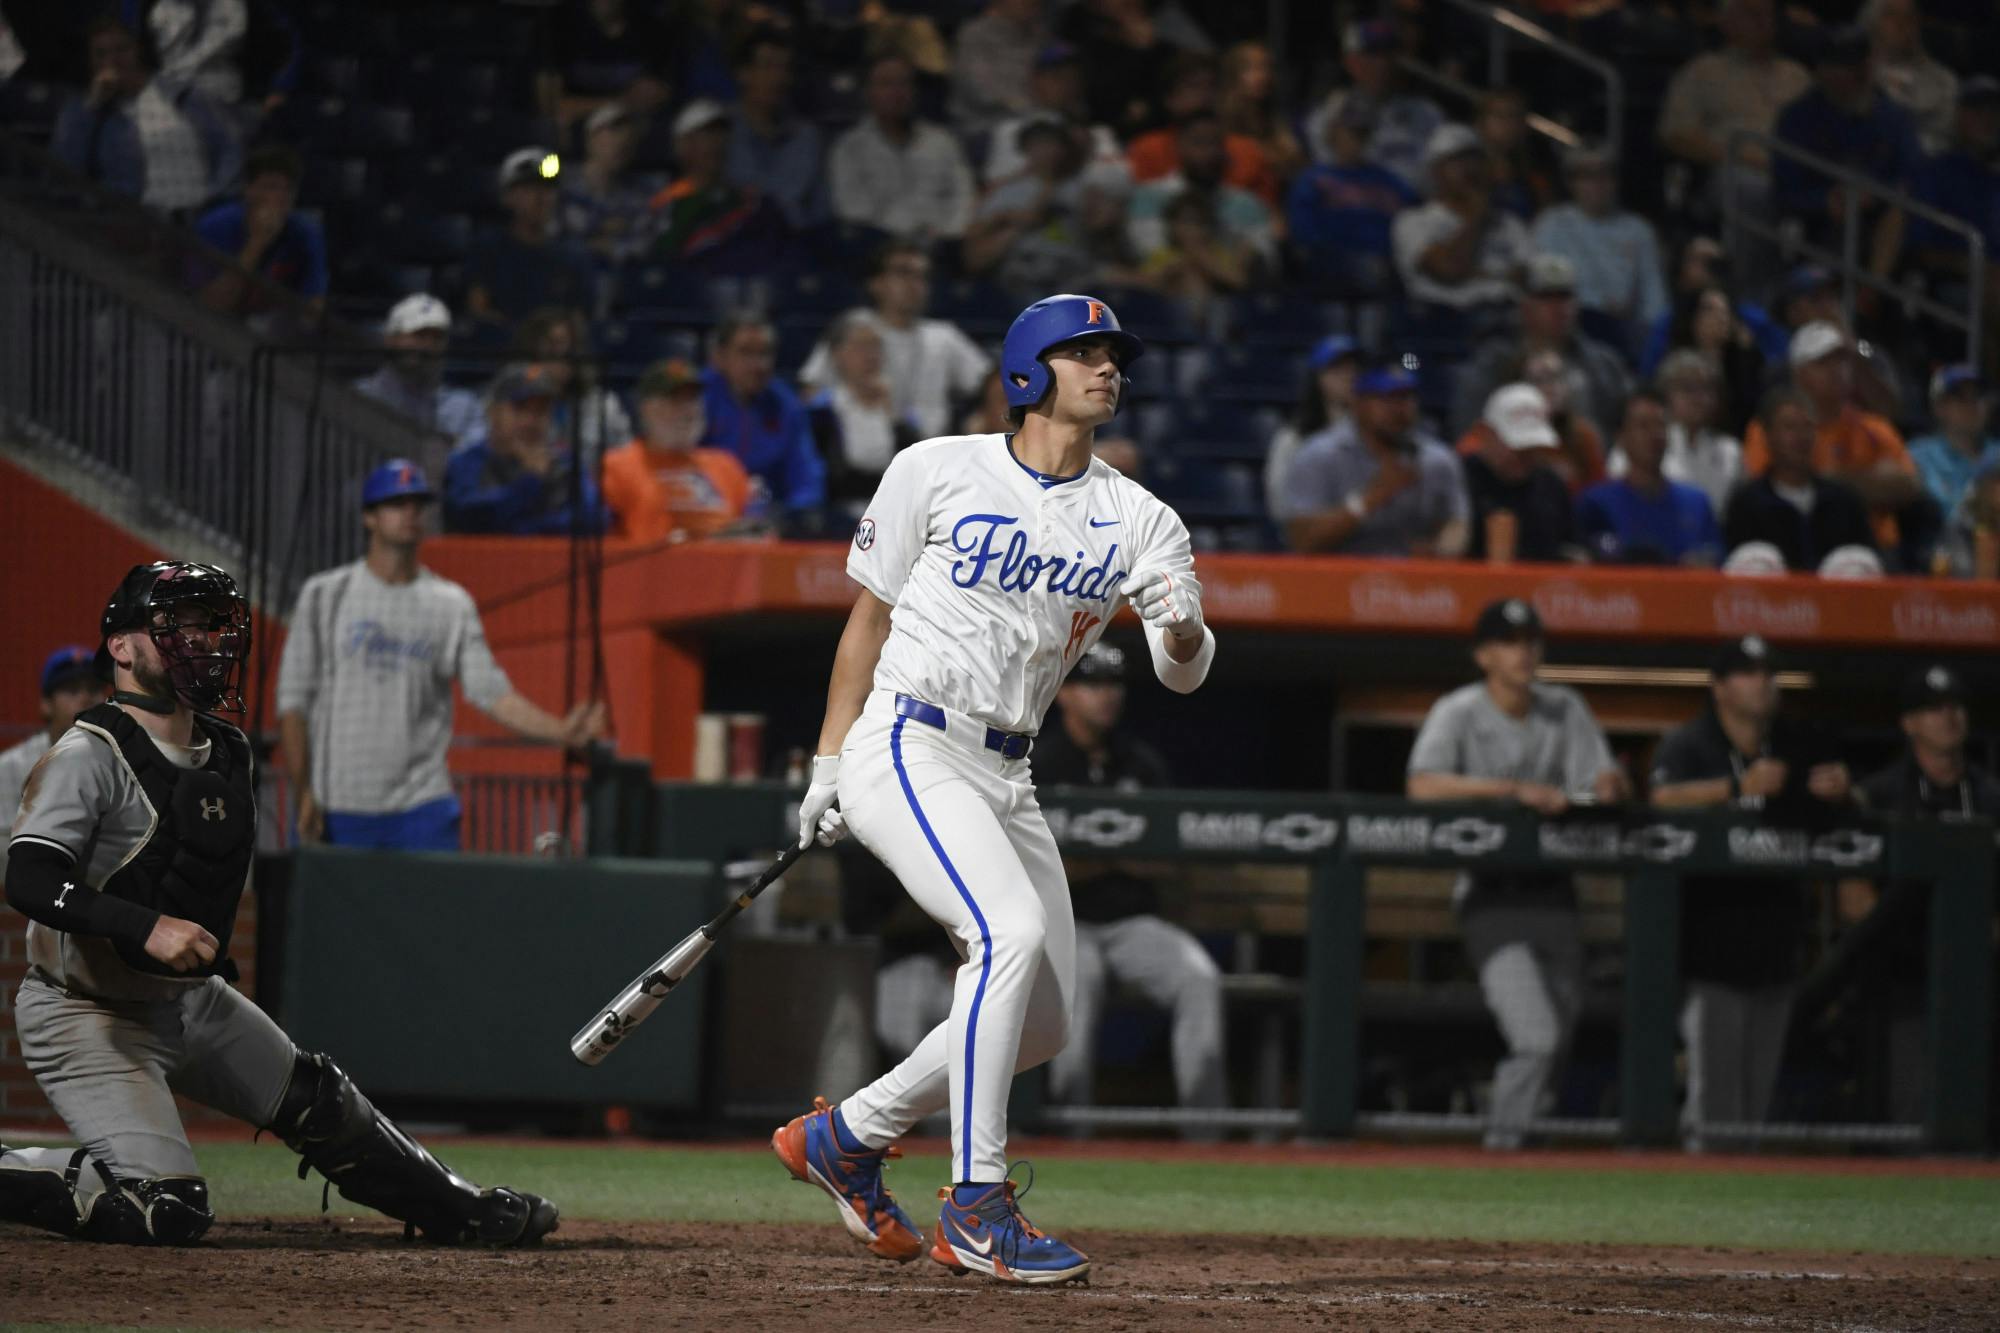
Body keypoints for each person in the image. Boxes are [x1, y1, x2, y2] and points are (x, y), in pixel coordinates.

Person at [771, 292, 1215, 1285]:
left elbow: (1183, 667)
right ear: (1028, 371)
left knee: (1043, 1020)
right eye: (1083, 352)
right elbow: (864, 626)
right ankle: (975, 1203)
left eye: (1113, 354)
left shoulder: (1141, 518)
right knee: (1005, 936)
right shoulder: (933, 467)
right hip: (909, 739)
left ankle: (850, 1134)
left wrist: (1179, 625)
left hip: (1006, 771)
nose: (1107, 367)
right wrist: (827, 763)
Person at [0, 561, 559, 1246]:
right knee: (166, 1208)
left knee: (317, 1097)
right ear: (120, 645)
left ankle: (458, 1208)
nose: (200, 639)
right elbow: (28, 877)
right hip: (85, 1010)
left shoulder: (228, 750)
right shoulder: (89, 751)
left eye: (209, 623)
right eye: (175, 625)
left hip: (186, 997)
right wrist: (143, 924)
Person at [280, 462, 606, 850]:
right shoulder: (324, 595)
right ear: (369, 517)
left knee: (431, 910)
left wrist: (560, 731)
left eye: (417, 503)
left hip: (421, 805)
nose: (410, 513)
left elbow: (491, 692)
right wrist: (303, 790)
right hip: (338, 802)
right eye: (396, 503)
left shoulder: (448, 603)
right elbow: (294, 703)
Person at [1407, 597, 1629, 1150]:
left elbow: (1600, 779)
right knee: (1536, 1039)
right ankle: (1500, 1154)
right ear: (1483, 655)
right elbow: (1424, 785)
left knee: (1555, 1047)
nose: (1524, 651)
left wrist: (1610, 787)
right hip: (1491, 899)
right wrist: (1509, 791)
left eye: (1531, 640)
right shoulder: (1458, 710)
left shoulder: (1564, 708)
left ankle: (1527, 1162)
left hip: (1557, 896)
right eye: (1509, 642)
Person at [1650, 634, 1849, 1151]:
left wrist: (1844, 789)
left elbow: (1844, 801)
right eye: (1747, 673)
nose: (1762, 683)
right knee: (1715, 1105)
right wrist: (1735, 789)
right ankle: (1694, 1219)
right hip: (1708, 949)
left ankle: (1735, 1228)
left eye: (1767, 673)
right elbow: (1659, 800)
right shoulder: (1691, 743)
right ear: (1718, 687)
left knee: (1754, 1107)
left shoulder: (1796, 741)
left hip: (1776, 945)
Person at [1034, 643, 1226, 1130]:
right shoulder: (1041, 762)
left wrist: (1095, 858)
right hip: (1067, 927)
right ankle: (1072, 1135)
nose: (1107, 695)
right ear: (1064, 694)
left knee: (1199, 976)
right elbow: (1039, 865)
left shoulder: (1141, 764)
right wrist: (1117, 859)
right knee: (1084, 981)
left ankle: (1209, 1140)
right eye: (1093, 683)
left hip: (1134, 926)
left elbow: (1167, 863)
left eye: (1114, 684)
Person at [1845, 664, 2000, 1123]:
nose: (1948, 717)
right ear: (1909, 722)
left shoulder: (1991, 797)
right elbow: (1852, 896)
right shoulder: (1879, 795)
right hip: (1901, 983)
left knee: (1979, 1116)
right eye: (1933, 709)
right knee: (1908, 1112)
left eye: (1954, 707)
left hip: (1980, 981)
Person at [1741, 322, 1922, 556]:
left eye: (1842, 360)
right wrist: (1866, 480)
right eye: (1823, 363)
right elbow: (1770, 491)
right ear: (1799, 373)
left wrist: (1827, 480)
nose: (1837, 370)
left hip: (1874, 550)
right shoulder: (1768, 426)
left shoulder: (1874, 427)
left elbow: (1909, 487)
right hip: (1792, 547)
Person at [1772, 26, 1921, 294]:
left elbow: (1913, 177)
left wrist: (1874, 193)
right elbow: (1784, 186)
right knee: (1841, 220)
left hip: (1880, 218)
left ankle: (1869, 294)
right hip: (1819, 221)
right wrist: (1825, 199)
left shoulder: (1894, 119)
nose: (1838, 75)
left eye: (1846, 66)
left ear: (1865, 67)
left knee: (1898, 213)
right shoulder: (1798, 117)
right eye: (1831, 65)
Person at [1276, 359, 1470, 557]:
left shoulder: (1437, 460)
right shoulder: (1317, 456)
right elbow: (1302, 541)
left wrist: (1440, 550)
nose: (1398, 409)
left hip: (1415, 581)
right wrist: (1370, 499)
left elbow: (1455, 523)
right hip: (1336, 580)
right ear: (1358, 403)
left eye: (1406, 397)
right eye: (1387, 399)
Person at [800, 242, 991, 441]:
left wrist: (981, 417)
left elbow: (992, 385)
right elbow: (811, 390)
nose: (914, 284)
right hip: (863, 450)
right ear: (875, 283)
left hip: (929, 454)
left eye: (922, 276)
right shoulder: (855, 328)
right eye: (903, 273)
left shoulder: (943, 337)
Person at [51, 16, 240, 215]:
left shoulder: (182, 96)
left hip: (200, 215)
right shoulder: (82, 113)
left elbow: (230, 146)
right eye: (101, 54)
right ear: (91, 61)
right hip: (133, 222)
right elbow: (63, 176)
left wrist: (216, 200)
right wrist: (92, 107)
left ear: (137, 50)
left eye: (121, 49)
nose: (111, 60)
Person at [1450, 254, 1633, 440]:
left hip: (1592, 463)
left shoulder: (1603, 364)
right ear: (1524, 306)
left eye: (1565, 296)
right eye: (1546, 297)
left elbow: (1631, 426)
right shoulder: (1493, 363)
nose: (1559, 307)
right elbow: (1469, 428)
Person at [1656, 0, 1810, 210]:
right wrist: (1744, 157)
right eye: (1752, 14)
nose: (1762, 22)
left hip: (1798, 172)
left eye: (1768, 15)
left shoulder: (1797, 75)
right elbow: (1676, 135)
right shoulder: (1703, 71)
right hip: (1733, 171)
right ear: (1726, 21)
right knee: (1753, 187)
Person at [443, 364, 610, 537]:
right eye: (520, 409)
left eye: (541, 411)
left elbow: (595, 518)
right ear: (493, 413)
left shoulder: (565, 464)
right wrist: (531, 481)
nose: (530, 421)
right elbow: (469, 515)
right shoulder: (468, 462)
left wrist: (522, 528)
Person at [1724, 386, 1878, 571]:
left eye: (1808, 426)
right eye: (1790, 427)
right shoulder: (1747, 503)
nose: (1801, 437)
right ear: (1768, 435)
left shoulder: (1844, 501)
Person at [828, 52, 974, 244]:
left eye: (904, 83)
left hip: (942, 245)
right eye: (886, 84)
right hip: (879, 250)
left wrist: (947, 235)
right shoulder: (849, 148)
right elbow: (853, 212)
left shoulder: (942, 141)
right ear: (867, 92)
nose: (897, 92)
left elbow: (964, 195)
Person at [601, 358, 752, 542]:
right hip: (651, 567)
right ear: (648, 409)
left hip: (721, 566)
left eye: (693, 399)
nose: (689, 410)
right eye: (676, 401)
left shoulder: (726, 466)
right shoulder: (616, 466)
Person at [1529, 144, 1669, 342]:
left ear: (1616, 181)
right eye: (1587, 175)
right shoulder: (1551, 225)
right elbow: (1542, 289)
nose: (1597, 183)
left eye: (1605, 174)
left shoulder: (1639, 231)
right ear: (1572, 182)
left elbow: (1655, 303)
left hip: (1623, 333)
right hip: (1569, 329)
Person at [1392, 123, 1532, 318]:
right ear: (1436, 171)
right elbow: (1450, 270)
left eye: (1475, 159)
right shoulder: (1413, 221)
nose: (1469, 169)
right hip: (1445, 324)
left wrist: (1474, 273)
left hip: (1507, 320)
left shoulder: (1509, 222)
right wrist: (1478, 216)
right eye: (1456, 161)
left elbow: (1530, 279)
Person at [1287, 91, 1417, 297]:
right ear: (1332, 131)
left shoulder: (1392, 183)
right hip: (1330, 281)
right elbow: (1305, 239)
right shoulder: (1313, 180)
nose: (1355, 139)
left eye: (1362, 132)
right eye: (1349, 130)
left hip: (1388, 279)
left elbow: (1412, 229)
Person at [701, 313, 825, 523]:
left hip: (768, 521)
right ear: (720, 357)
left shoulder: (786, 406)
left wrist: (789, 514)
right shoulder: (695, 398)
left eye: (765, 354)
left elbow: (807, 479)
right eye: (745, 353)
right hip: (705, 515)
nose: (758, 365)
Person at [0, 646, 109, 882]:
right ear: (46, 704)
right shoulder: (10, 767)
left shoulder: (123, 760)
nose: (85, 698)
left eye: (93, 689)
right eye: (71, 690)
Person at [1578, 389, 1723, 566]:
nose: (1656, 435)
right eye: (1644, 426)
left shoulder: (1696, 503)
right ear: (1621, 437)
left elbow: (1716, 560)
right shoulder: (1596, 504)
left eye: (1661, 425)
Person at [645, 99, 788, 274]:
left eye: (720, 133)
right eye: (704, 134)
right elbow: (661, 260)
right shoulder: (665, 202)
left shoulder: (753, 201)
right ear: (682, 145)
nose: (715, 142)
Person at [1303, 18, 1444, 196]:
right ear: (1350, 62)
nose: (1382, 63)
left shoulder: (1427, 113)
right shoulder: (1327, 116)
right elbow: (1329, 178)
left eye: (1388, 53)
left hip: (1417, 210)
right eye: (1372, 54)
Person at [1126, 109, 1276, 271]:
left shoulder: (1248, 203)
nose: (1210, 152)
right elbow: (1149, 255)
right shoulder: (1149, 196)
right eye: (1199, 143)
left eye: (1216, 143)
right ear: (1178, 146)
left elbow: (1267, 261)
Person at [463, 147, 594, 333]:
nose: (541, 198)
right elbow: (479, 312)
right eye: (530, 189)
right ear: (508, 197)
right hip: (501, 354)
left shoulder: (573, 256)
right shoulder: (488, 248)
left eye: (548, 189)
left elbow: (578, 320)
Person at [193, 142, 327, 318]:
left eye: (288, 189)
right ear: (248, 189)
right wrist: (256, 244)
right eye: (271, 186)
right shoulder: (215, 226)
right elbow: (208, 306)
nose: (280, 198)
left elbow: (313, 309)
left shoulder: (305, 233)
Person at [1124, 53, 1276, 204]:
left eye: (1212, 86)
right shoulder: (1146, 150)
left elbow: (1266, 216)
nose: (1205, 95)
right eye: (1193, 86)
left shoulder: (1248, 153)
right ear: (1170, 99)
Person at [807, 312, 922, 505]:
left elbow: (916, 467)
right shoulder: (822, 411)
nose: (871, 355)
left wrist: (892, 417)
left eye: (876, 346)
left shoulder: (900, 412)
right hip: (840, 511)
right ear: (837, 355)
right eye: (860, 346)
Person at [1456, 383, 1579, 563]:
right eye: (1517, 446)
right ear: (1485, 433)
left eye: (1532, 446)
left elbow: (1569, 548)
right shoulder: (1459, 479)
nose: (1526, 456)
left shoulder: (1552, 487)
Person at [1612, 348, 1742, 517]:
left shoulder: (1730, 450)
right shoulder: (1639, 444)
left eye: (1707, 388)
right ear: (1665, 394)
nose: (1699, 398)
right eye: (1687, 389)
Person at [723, 25, 825, 229]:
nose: (778, 77)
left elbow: (821, 212)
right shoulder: (718, 132)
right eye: (767, 66)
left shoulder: (807, 137)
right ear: (743, 73)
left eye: (784, 68)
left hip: (794, 249)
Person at [509, 306, 631, 474]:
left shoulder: (604, 405)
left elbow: (627, 465)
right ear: (533, 349)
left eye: (572, 345)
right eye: (554, 344)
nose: (565, 353)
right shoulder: (508, 404)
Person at [352, 295, 484, 447]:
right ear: (390, 339)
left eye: (437, 338)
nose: (428, 345)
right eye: (419, 335)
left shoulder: (463, 408)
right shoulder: (360, 397)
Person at [983, 42, 1121, 186]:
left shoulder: (1100, 134)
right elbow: (998, 191)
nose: (1068, 85)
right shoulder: (1010, 131)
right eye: (1057, 77)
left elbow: (1116, 183)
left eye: (1075, 78)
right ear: (1035, 80)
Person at [1263, 334, 1358, 519]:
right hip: (1311, 537)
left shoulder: (1372, 434)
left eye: (1353, 370)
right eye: (1338, 370)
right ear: (1318, 378)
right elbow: (1280, 502)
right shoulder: (1294, 437)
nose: (1349, 377)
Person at [556, 102, 661, 264]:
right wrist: (602, 229)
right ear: (590, 139)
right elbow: (550, 240)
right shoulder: (561, 183)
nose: (621, 142)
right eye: (613, 133)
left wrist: (603, 244)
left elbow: (643, 247)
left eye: (628, 139)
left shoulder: (642, 194)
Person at [1657, 283, 1767, 435]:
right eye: (1710, 310)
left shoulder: (1744, 363)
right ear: (1692, 318)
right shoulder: (1675, 365)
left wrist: (1746, 353)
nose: (1721, 317)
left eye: (1725, 311)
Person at [1866, 0, 1957, 153]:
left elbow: (1944, 135)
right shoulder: (1856, 73)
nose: (1901, 23)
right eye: (1891, 15)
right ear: (1873, 22)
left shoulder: (1944, 80)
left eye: (1910, 17)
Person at [1908, 366, 2000, 515]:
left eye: (1978, 396)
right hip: (1942, 536)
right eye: (1960, 397)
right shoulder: (1918, 456)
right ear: (1939, 407)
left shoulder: (1997, 453)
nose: (1972, 404)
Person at [949, 0, 1049, 134]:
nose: (1032, 3)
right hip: (986, 126)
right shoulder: (975, 34)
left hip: (1036, 120)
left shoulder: (1039, 33)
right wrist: (1030, 107)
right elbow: (981, 92)